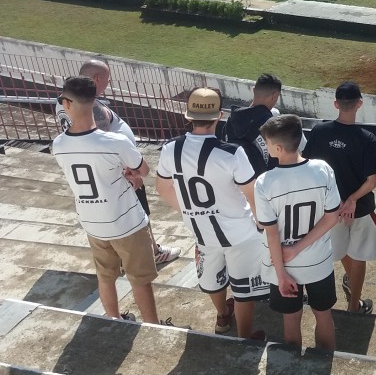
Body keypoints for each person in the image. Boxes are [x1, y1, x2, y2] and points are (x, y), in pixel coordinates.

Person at [156, 88, 269, 339]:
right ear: (219, 116)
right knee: (243, 289)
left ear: (188, 116)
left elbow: (162, 188)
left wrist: (189, 210)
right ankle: (245, 336)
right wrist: (261, 225)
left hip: (202, 231)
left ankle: (222, 317)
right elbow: (253, 195)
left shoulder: (169, 149)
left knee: (213, 279)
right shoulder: (231, 152)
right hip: (240, 233)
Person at [51, 76, 161, 324]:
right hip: (126, 222)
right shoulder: (116, 142)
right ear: (95, 102)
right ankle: (153, 325)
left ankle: (113, 319)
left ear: (67, 103)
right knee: (140, 279)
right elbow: (143, 170)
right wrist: (131, 173)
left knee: (105, 275)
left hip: (92, 222)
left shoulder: (58, 145)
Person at [55, 59, 180, 266]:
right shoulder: (92, 109)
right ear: (96, 79)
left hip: (94, 169)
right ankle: (153, 252)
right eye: (107, 78)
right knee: (139, 215)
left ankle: (145, 251)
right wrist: (131, 173)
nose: (109, 82)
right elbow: (102, 140)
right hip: (120, 171)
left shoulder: (66, 100)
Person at [255, 115, 342, 350]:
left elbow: (271, 234)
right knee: (324, 315)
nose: (264, 146)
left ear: (278, 148)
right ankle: (324, 365)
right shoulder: (323, 170)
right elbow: (333, 216)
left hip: (283, 266)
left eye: (266, 142)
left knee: (291, 319)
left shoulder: (265, 182)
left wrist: (281, 274)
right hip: (318, 261)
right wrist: (299, 248)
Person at [304, 81, 376, 314]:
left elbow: (310, 168)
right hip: (358, 208)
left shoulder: (318, 131)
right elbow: (372, 181)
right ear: (359, 104)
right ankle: (353, 305)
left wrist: (337, 201)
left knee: (343, 253)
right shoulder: (368, 138)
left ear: (336, 104)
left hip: (330, 209)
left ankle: (350, 289)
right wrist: (352, 200)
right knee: (358, 256)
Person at [225, 73, 306, 177]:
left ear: (253, 90)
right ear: (275, 95)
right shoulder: (278, 127)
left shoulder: (230, 120)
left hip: (235, 184)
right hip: (267, 187)